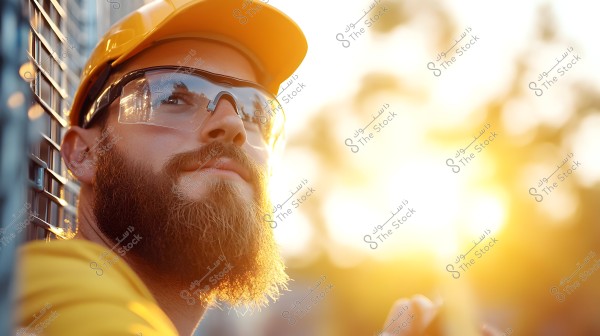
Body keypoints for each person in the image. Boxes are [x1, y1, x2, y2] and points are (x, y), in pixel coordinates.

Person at [13, 0, 502, 335]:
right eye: (174, 95)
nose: (231, 124)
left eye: (253, 109)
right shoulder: (53, 291)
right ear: (81, 153)